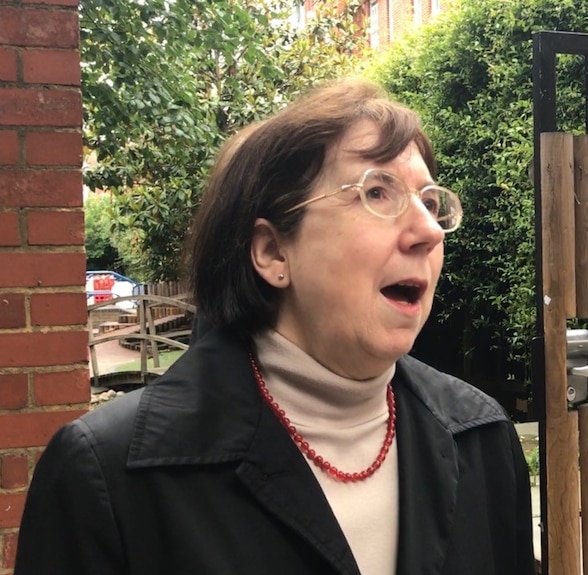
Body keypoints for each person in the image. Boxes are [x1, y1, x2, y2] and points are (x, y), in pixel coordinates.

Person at [15, 78, 535, 575]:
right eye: (378, 192)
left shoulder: (482, 441)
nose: (426, 230)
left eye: (428, 202)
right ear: (272, 251)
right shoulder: (107, 477)